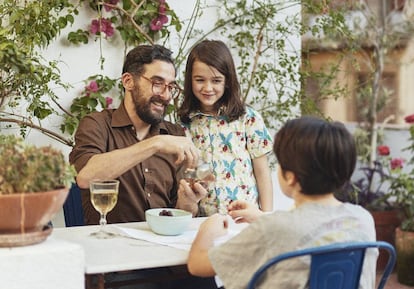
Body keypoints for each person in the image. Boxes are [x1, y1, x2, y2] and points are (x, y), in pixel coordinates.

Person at [187, 116, 378, 289]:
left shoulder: (273, 229)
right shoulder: (363, 219)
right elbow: (313, 229)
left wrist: (207, 231)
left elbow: (197, 266)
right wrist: (263, 218)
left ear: (290, 177)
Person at [69, 44, 207, 225]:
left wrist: (188, 204)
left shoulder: (174, 134)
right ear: (128, 81)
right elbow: (86, 177)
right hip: (111, 246)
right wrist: (155, 144)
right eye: (157, 83)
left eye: (170, 87)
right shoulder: (97, 125)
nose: (166, 96)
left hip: (161, 246)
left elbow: (178, 215)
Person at [178, 39, 274, 216]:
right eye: (200, 80)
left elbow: (262, 172)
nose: (208, 88)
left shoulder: (248, 118)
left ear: (227, 81)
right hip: (204, 220)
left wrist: (265, 217)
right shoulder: (185, 124)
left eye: (216, 80)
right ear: (190, 80)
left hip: (244, 217)